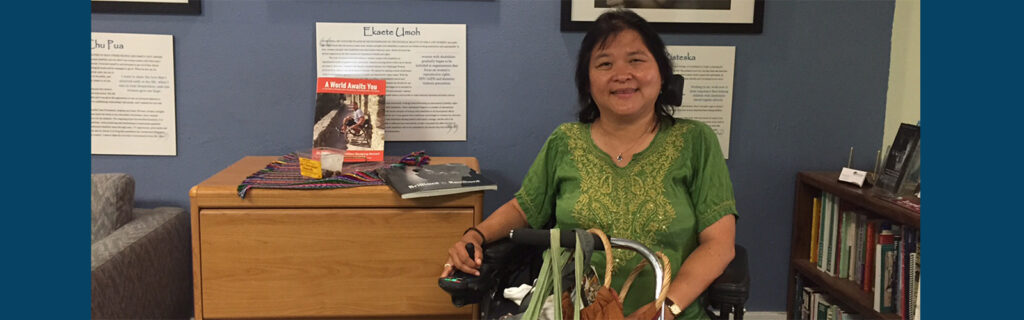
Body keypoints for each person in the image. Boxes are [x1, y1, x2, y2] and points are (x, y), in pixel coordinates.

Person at [440, 9, 737, 320]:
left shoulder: (696, 141)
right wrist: (475, 235)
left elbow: (719, 244)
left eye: (636, 60)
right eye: (605, 64)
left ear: (662, 74)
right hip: (571, 312)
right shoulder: (565, 141)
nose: (622, 74)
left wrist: (665, 309)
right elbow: (524, 208)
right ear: (588, 82)